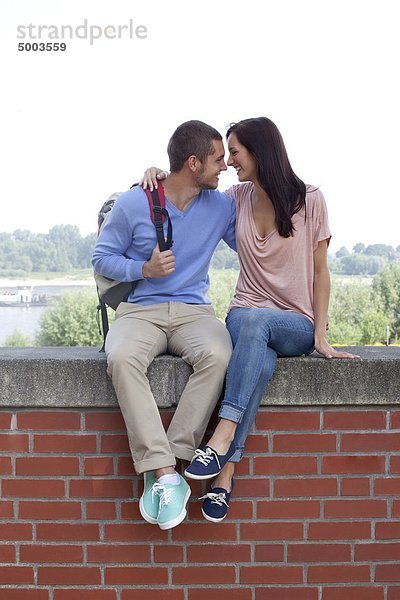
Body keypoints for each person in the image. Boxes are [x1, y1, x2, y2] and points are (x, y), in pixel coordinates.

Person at [142, 116, 359, 523]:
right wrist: (157, 174)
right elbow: (184, 192)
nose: (228, 163)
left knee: (258, 340)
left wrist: (322, 335)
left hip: (294, 322)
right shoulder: (235, 199)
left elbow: (321, 272)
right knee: (257, 347)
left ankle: (221, 440)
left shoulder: (310, 199)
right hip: (243, 312)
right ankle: (224, 472)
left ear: (258, 152)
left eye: (235, 152)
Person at [92, 120, 236, 530]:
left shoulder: (222, 206)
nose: (224, 166)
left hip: (194, 311)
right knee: (120, 357)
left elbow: (255, 242)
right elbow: (102, 257)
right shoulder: (136, 202)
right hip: (140, 310)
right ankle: (163, 473)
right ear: (193, 163)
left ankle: (174, 456)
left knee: (219, 353)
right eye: (218, 159)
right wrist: (144, 268)